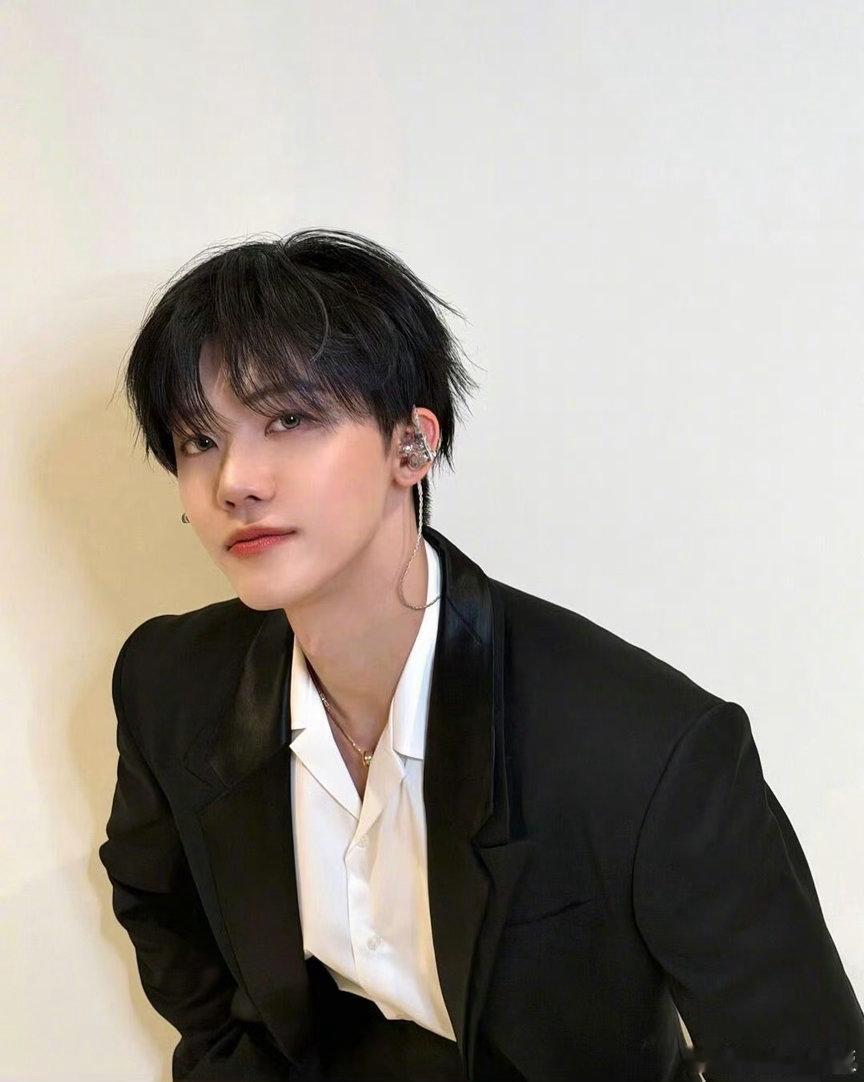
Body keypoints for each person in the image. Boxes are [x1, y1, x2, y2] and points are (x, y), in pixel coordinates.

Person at [98, 229, 863, 1082]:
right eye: (198, 439)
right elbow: (159, 907)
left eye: (290, 419)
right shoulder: (171, 682)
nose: (235, 480)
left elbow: (802, 1058)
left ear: (411, 446)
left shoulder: (645, 748)